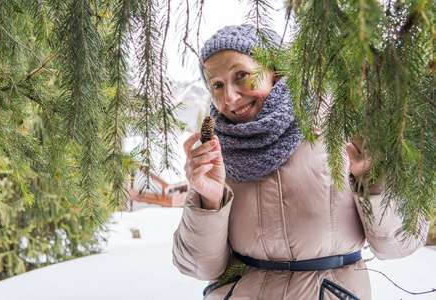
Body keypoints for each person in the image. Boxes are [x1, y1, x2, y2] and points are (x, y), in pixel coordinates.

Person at [172, 24, 429, 300]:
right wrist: (209, 200)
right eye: (217, 85)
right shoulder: (216, 154)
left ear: (276, 71)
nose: (230, 98)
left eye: (242, 75)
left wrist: (370, 176)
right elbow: (198, 266)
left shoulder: (340, 125)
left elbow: (401, 244)